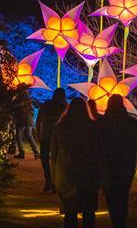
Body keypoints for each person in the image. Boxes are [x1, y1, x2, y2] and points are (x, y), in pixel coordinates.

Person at [50, 97, 99, 228]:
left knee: (70, 211)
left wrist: (54, 175)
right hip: (88, 172)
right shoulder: (93, 127)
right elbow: (97, 152)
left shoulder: (60, 127)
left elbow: (54, 154)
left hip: (66, 171)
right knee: (88, 210)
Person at [99, 94, 137, 228]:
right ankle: (121, 222)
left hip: (108, 165)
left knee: (111, 195)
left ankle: (115, 220)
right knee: (123, 195)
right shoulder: (131, 123)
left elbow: (98, 144)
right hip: (126, 165)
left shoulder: (102, 123)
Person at [36, 88, 67, 192]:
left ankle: (48, 180)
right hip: (59, 137)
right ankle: (55, 181)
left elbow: (38, 121)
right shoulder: (64, 107)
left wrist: (39, 133)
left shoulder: (46, 105)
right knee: (57, 160)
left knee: (45, 159)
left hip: (46, 135)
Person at [12, 84, 39, 159]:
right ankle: (36, 151)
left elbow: (16, 105)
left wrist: (15, 101)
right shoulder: (29, 97)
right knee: (29, 135)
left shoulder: (21, 96)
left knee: (18, 135)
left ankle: (21, 152)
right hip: (28, 118)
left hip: (22, 118)